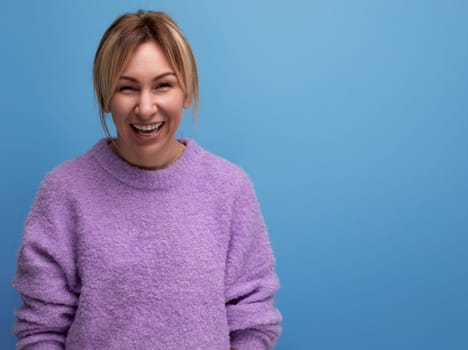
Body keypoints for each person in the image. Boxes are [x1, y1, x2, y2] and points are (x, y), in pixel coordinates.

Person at [13, 10, 281, 350]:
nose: (145, 107)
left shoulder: (229, 189)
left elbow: (252, 322)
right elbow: (42, 330)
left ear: (187, 92)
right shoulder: (63, 192)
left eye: (163, 85)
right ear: (105, 98)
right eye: (127, 88)